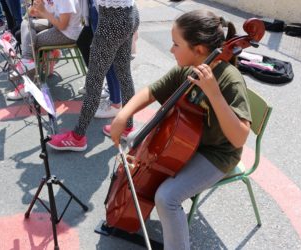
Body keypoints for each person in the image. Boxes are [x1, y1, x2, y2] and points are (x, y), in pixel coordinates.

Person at [107, 10, 252, 249]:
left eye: (176, 44)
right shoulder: (190, 68)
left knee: (167, 197)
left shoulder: (229, 80)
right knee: (133, 141)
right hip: (186, 144)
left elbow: (239, 138)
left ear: (199, 49)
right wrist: (123, 115)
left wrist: (214, 93)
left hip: (216, 154)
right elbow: (152, 90)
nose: (171, 49)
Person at [47, 0, 140, 150]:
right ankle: (128, 128)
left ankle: (77, 137)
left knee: (94, 81)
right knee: (124, 74)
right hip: (130, 12)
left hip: (112, 18)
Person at [7, 0, 83, 100]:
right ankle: (27, 62)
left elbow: (62, 26)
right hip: (58, 27)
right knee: (26, 23)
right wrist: (35, 10)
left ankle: (29, 87)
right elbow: (46, 14)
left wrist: (44, 12)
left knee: (31, 42)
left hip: (68, 34)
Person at [76, 0, 123, 119]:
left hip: (105, 8)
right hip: (99, 7)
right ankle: (113, 97)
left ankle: (116, 103)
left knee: (107, 57)